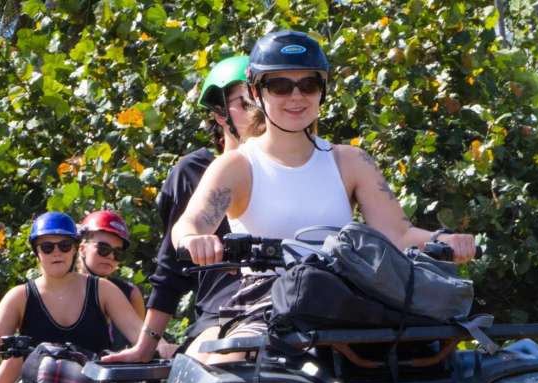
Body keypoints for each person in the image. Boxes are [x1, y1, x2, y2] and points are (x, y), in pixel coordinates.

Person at [171, 31, 476, 361]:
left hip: (344, 301)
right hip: (266, 303)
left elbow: (398, 234)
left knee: (430, 362)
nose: (296, 96)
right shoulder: (237, 165)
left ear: (322, 91)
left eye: (309, 84)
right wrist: (195, 240)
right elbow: (189, 225)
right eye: (280, 86)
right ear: (257, 93)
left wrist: (445, 240)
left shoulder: (351, 161)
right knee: (225, 370)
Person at [105, 55, 266, 364]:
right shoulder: (195, 171)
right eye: (245, 103)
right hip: (223, 314)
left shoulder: (295, 163)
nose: (258, 111)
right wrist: (145, 346)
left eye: (262, 98)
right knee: (212, 376)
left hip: (295, 304)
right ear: (220, 115)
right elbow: (171, 270)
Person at [0, 212, 144, 383]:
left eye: (64, 246)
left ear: (75, 249)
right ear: (37, 252)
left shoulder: (104, 289)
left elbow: (141, 336)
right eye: (47, 247)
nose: (56, 253)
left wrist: (165, 347)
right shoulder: (19, 296)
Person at [77, 210, 146, 349]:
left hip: (114, 369)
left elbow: (142, 345)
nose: (110, 256)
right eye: (103, 249)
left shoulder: (130, 293)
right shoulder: (61, 288)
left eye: (117, 253)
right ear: (82, 249)